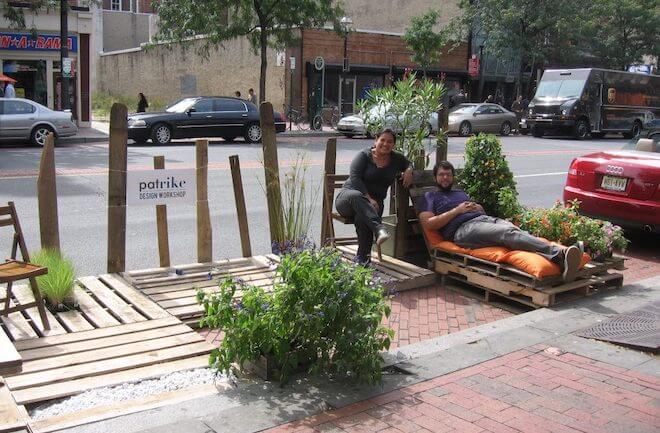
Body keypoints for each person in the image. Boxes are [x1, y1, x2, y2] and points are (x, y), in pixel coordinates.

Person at [419, 161, 583, 282]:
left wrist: (478, 207)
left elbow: (479, 212)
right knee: (507, 233)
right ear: (435, 177)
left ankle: (559, 260)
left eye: (448, 174)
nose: (445, 178)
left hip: (483, 220)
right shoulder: (430, 197)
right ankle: (559, 253)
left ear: (453, 177)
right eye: (441, 175)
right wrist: (457, 210)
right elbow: (429, 224)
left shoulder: (459, 193)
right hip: (462, 230)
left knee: (515, 231)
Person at [335, 129, 413, 266]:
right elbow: (355, 178)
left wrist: (409, 170)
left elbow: (408, 163)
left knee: (363, 217)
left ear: (394, 145)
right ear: (376, 140)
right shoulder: (364, 156)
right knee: (357, 197)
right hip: (348, 198)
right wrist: (368, 198)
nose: (385, 144)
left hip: (374, 204)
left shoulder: (396, 159)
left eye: (390, 142)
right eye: (382, 140)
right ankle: (379, 229)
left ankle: (363, 260)